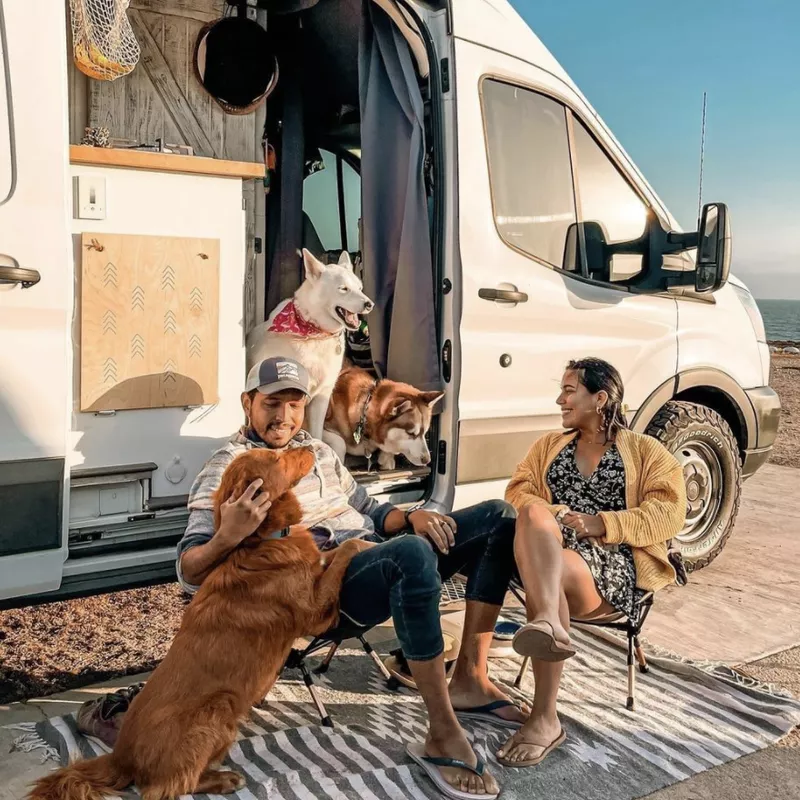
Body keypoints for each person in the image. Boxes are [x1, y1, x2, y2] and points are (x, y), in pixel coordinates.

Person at [81, 356, 520, 799]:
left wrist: (411, 514)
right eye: (272, 403)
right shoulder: (231, 464)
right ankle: (442, 731)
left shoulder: (320, 450)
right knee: (410, 553)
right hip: (326, 586)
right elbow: (189, 572)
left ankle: (469, 677)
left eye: (295, 405)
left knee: (497, 518)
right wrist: (228, 536)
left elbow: (369, 509)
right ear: (247, 403)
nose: (284, 416)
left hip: (377, 551)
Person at [496, 357, 686, 769]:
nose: (559, 399)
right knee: (532, 519)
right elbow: (517, 492)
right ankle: (546, 638)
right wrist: (559, 515)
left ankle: (545, 711)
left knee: (553, 569)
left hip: (612, 569)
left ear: (600, 398)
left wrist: (602, 523)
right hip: (554, 554)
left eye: (569, 390)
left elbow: (669, 512)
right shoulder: (549, 445)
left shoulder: (645, 451)